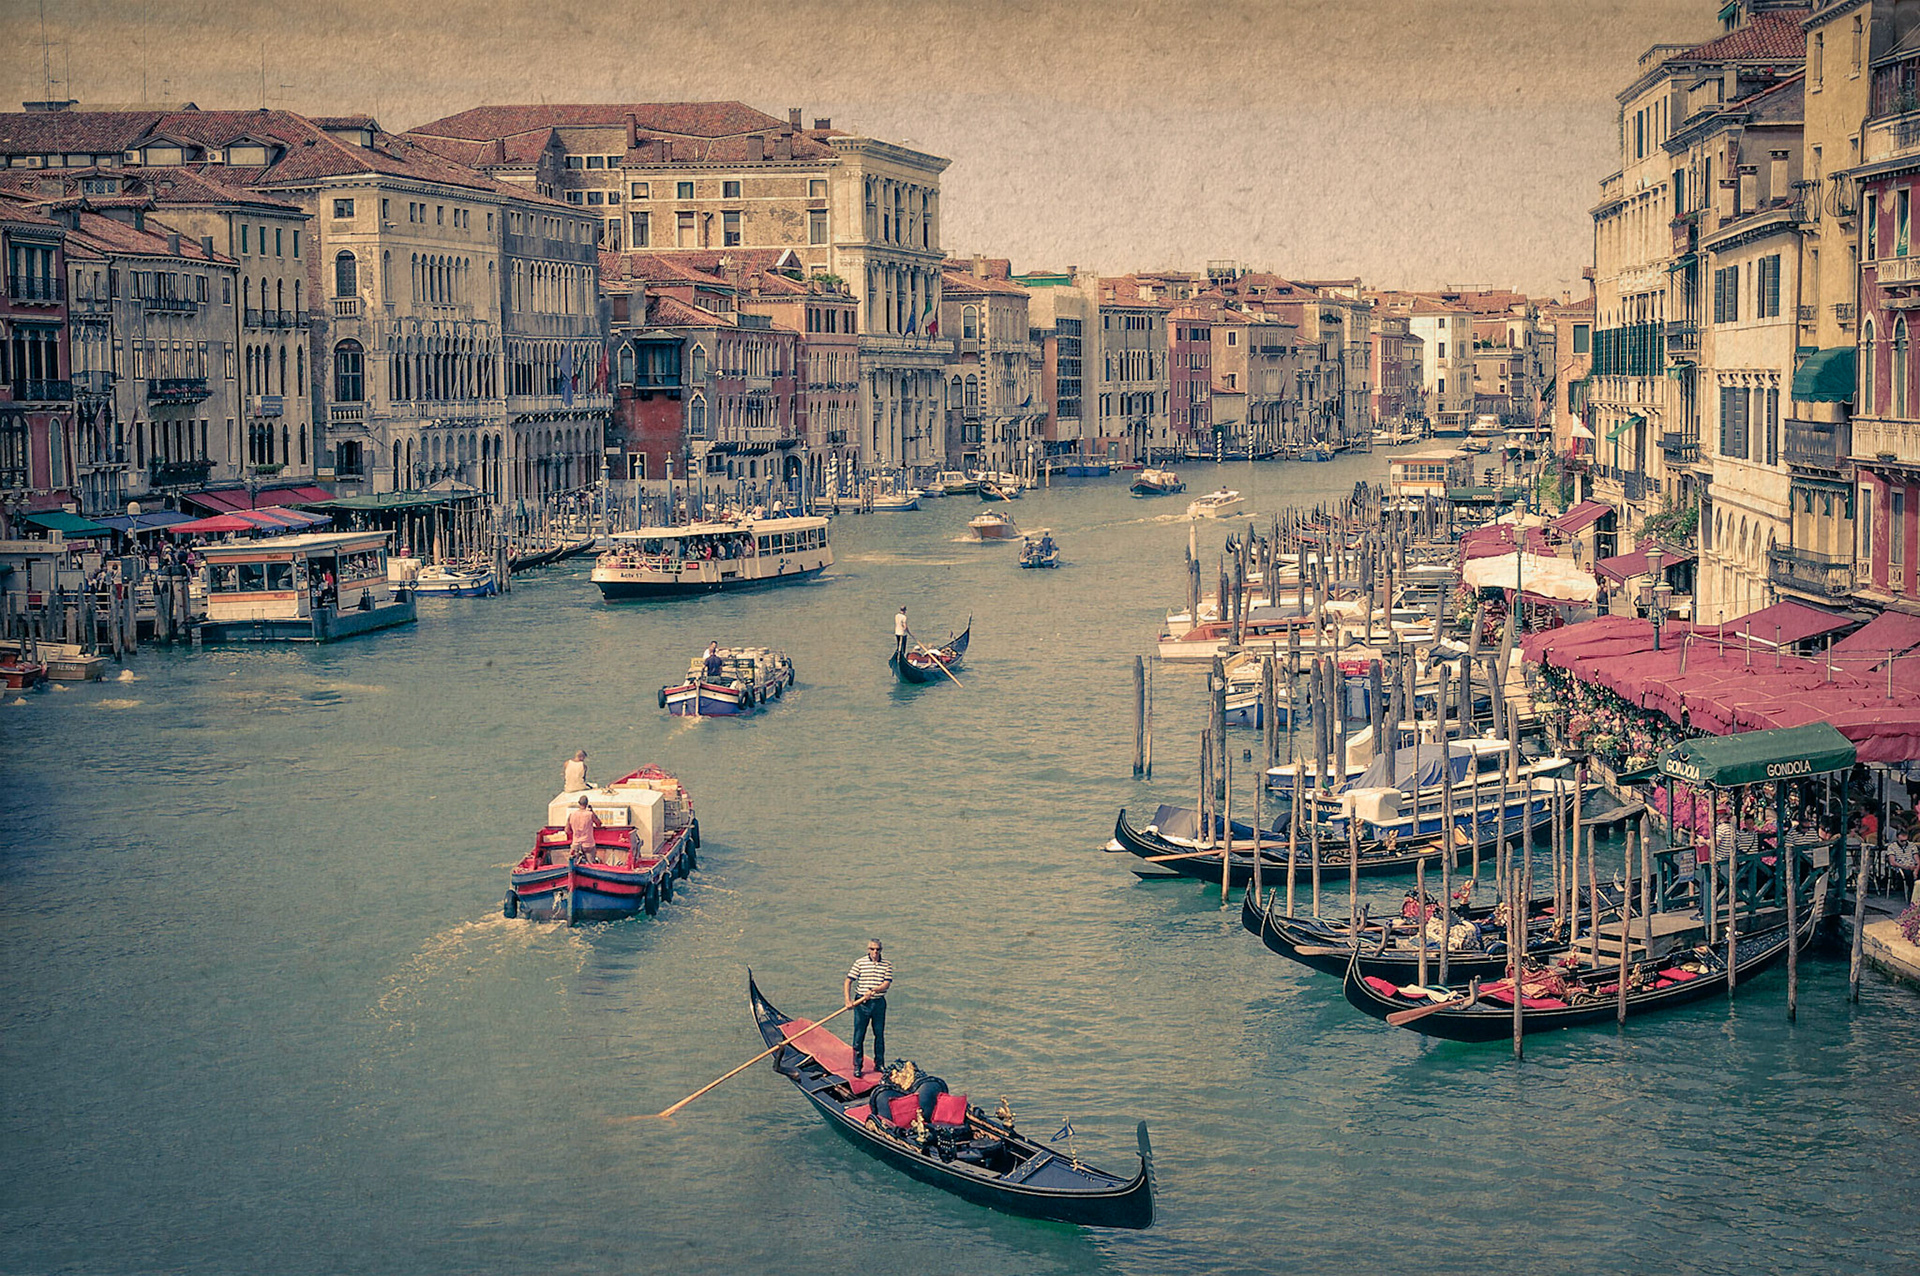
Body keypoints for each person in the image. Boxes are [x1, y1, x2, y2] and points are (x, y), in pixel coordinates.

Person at [844, 939, 893, 1077]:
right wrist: (848, 1001)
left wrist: (873, 990)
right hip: (861, 1004)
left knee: (879, 1034)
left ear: (881, 950)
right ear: (868, 950)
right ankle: (858, 1066)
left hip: (878, 1004)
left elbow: (886, 984)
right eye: (872, 949)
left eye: (877, 949)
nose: (875, 952)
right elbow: (848, 981)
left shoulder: (887, 965)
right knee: (859, 1036)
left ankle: (880, 1064)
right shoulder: (860, 963)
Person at [564, 795, 601, 865]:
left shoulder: (572, 815)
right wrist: (592, 811)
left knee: (573, 862)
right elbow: (599, 824)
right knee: (591, 864)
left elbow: (567, 831)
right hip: (588, 844)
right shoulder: (590, 814)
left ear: (579, 803)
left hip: (576, 843)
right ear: (587, 804)